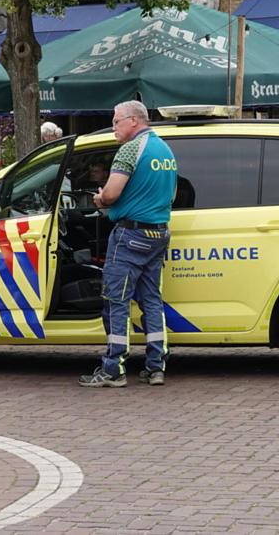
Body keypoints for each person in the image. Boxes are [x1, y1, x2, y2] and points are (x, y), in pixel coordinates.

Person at [79, 101, 177, 388]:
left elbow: (110, 194)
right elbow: (170, 194)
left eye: (116, 122)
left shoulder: (131, 149)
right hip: (158, 233)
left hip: (131, 235)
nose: (114, 128)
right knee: (151, 300)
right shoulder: (165, 150)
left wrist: (101, 199)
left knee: (116, 301)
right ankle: (156, 366)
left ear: (133, 120)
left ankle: (113, 369)